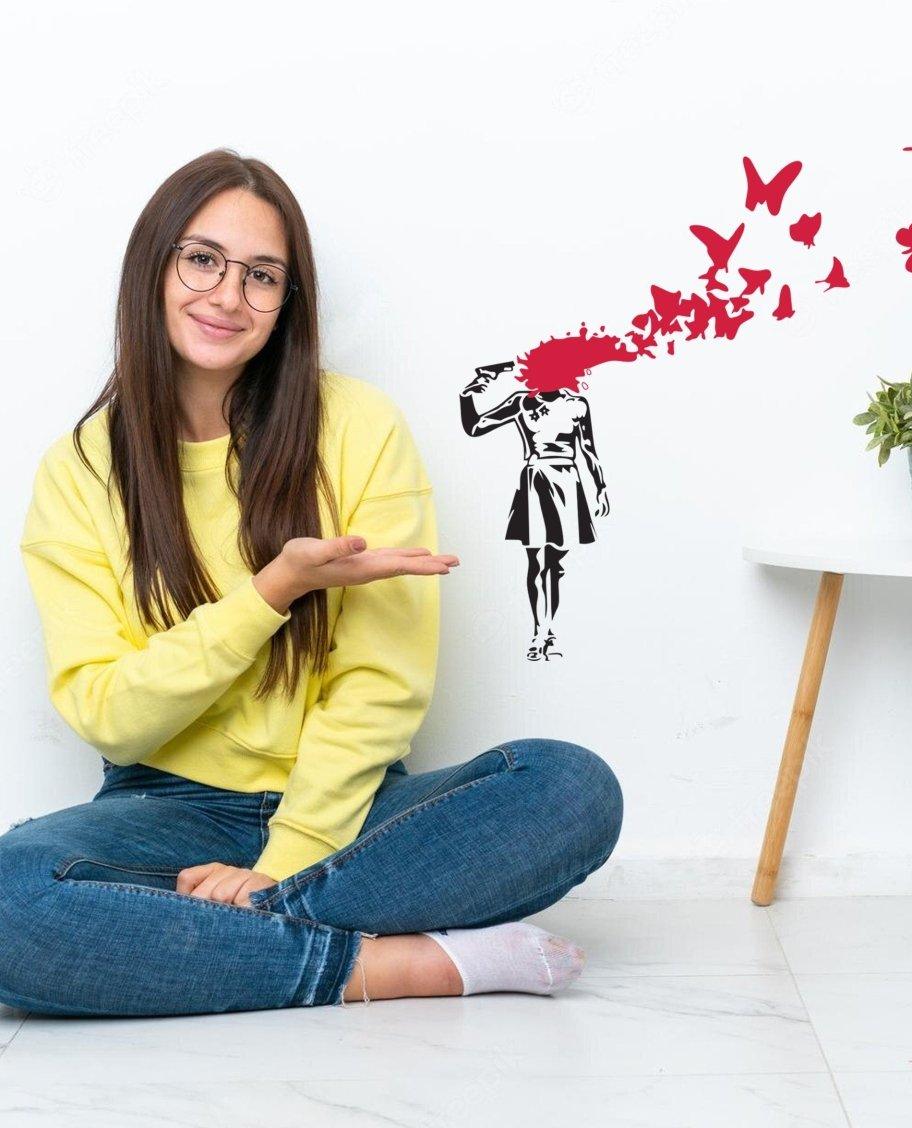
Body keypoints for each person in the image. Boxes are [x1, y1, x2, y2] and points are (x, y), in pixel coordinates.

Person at [0, 149, 623, 1017]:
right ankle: (397, 967)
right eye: (203, 259)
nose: (227, 296)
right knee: (10, 900)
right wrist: (271, 593)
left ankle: (232, 936)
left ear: (288, 304)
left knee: (570, 788)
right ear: (154, 266)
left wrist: (281, 863)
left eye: (262, 276)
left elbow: (382, 684)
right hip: (164, 809)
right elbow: (111, 714)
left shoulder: (359, 428)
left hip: (353, 805)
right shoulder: (81, 470)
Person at [458, 363, 610, 661]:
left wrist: (600, 486)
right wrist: (467, 395)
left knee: (556, 560)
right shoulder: (521, 401)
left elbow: (588, 450)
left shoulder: (576, 404)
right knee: (537, 560)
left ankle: (547, 627)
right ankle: (541, 632)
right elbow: (475, 427)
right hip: (536, 479)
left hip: (568, 480)